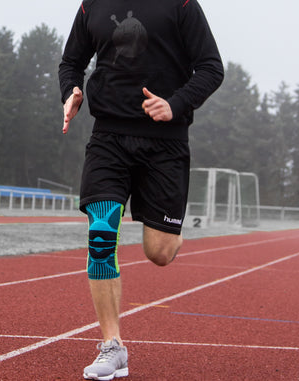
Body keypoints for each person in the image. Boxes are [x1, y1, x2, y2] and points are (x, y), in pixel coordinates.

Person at [59, 0, 223, 379]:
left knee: (160, 252)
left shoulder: (182, 4)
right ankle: (112, 346)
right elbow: (72, 62)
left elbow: (212, 68)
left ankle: (173, 232)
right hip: (109, 137)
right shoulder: (92, 5)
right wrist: (72, 90)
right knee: (101, 234)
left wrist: (176, 104)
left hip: (165, 142)